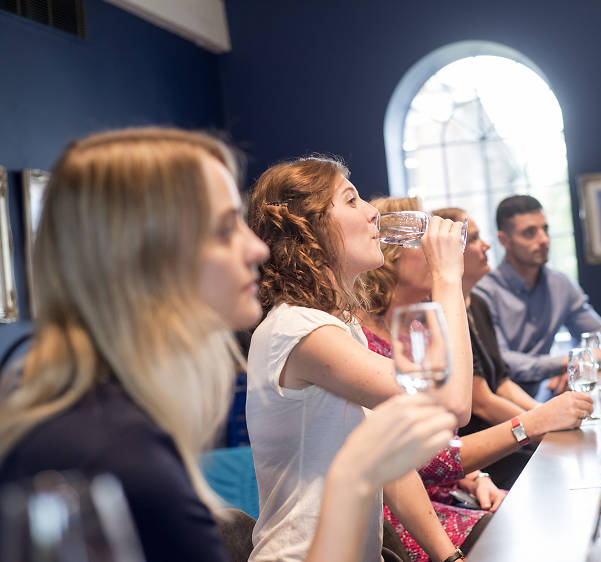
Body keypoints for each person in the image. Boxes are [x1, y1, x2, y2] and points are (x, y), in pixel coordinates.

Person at [0, 128, 457, 562]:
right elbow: (447, 402)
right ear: (150, 260)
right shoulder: (105, 456)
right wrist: (352, 480)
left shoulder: (121, 425)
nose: (257, 250)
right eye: (224, 230)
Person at [245, 156, 473, 562]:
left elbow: (393, 466)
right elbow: (452, 403)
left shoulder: (338, 329)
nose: (372, 213)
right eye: (351, 201)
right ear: (310, 229)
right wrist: (448, 277)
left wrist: (449, 557)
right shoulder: (299, 331)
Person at [358, 198, 593, 554]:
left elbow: (438, 441)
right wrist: (533, 422)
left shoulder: (416, 331)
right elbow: (427, 455)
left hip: (449, 496)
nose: (435, 250)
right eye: (420, 239)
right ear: (388, 256)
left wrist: (476, 479)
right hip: (403, 522)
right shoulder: (361, 341)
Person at [474, 195, 601, 398]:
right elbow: (503, 362)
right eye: (530, 233)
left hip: (547, 396)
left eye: (545, 229)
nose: (544, 240)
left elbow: (598, 337)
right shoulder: (483, 294)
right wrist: (567, 361)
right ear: (504, 240)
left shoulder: (560, 284)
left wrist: (576, 368)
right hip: (499, 411)